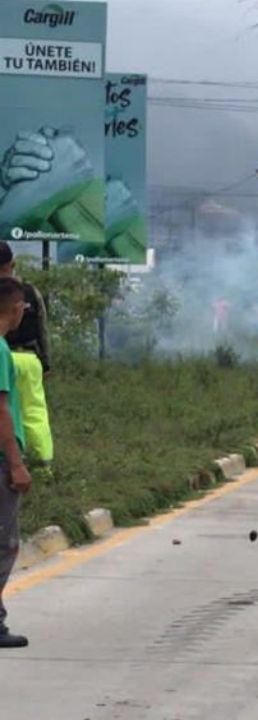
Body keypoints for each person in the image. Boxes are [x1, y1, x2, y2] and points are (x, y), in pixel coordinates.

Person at [0, 278, 32, 648]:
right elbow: (1, 410)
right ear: (12, 308)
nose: (25, 311)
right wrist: (16, 463)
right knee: (3, 542)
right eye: (22, 305)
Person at [0, 243, 52, 464]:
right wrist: (46, 363)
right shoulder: (28, 291)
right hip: (29, 358)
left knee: (7, 408)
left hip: (5, 355)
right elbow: (43, 327)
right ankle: (42, 462)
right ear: (12, 265)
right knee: (34, 413)